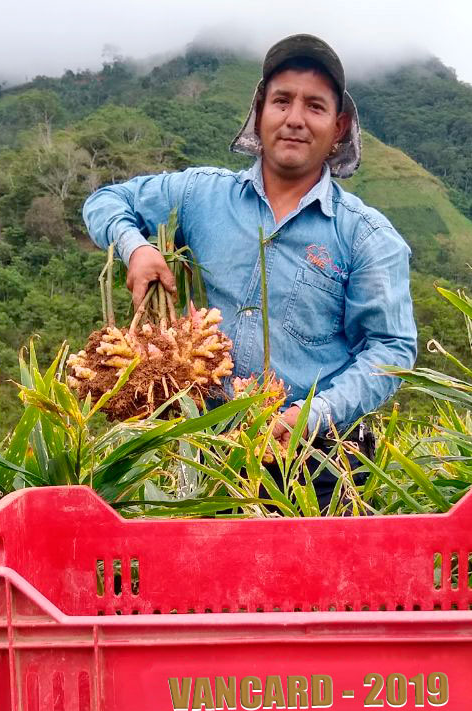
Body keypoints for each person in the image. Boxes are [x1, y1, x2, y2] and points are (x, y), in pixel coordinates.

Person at [81, 34, 417, 488]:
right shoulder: (202, 195)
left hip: (319, 464)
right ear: (260, 112)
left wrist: (312, 414)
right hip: (205, 454)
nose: (295, 118)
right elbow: (105, 201)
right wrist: (135, 246)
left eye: (315, 107)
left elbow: (390, 350)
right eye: (282, 101)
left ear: (338, 128)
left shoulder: (367, 236)